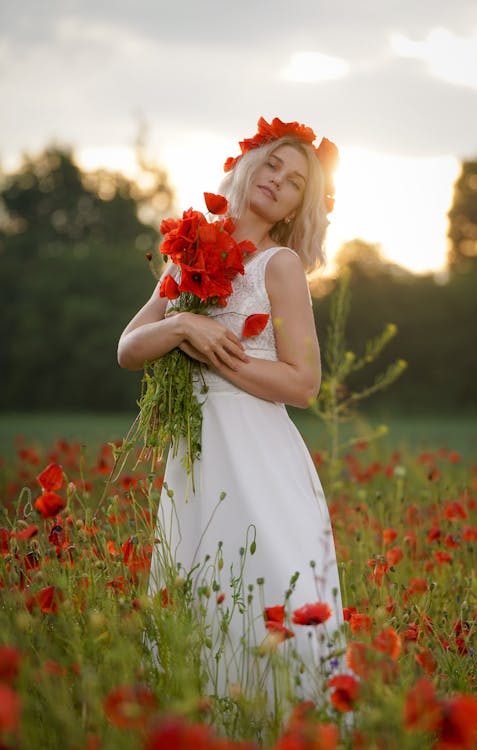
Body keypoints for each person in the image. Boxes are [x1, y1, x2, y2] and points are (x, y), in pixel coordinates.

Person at [117, 117, 345, 711]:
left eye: (295, 181)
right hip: (196, 458)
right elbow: (128, 349)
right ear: (246, 164)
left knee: (267, 585)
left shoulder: (280, 267)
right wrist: (181, 322)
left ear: (298, 207)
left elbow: (303, 383)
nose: (277, 180)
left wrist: (210, 354)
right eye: (272, 163)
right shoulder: (187, 251)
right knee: (196, 591)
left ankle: (288, 726)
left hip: (257, 451)